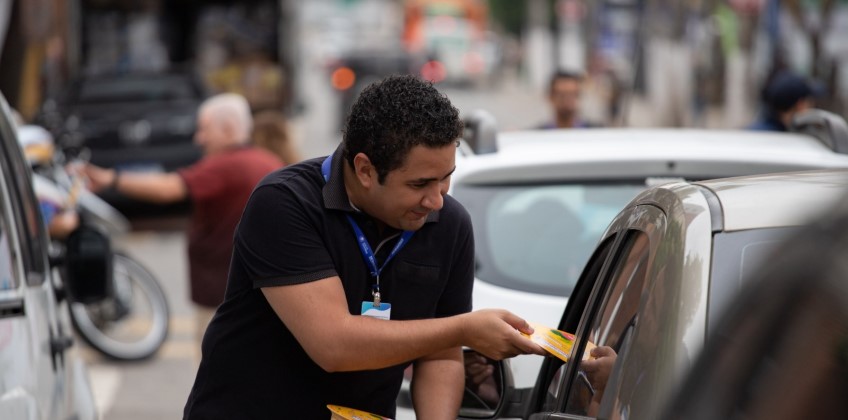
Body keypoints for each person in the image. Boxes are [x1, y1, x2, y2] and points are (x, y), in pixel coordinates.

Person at [182, 75, 545, 419]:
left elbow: (439, 356)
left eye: (445, 178)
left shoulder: (450, 224)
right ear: (365, 170)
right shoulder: (284, 203)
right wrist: (462, 329)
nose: (436, 200)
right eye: (419, 184)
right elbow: (333, 345)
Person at [83, 93, 283, 360]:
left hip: (224, 297)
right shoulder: (267, 161)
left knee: (218, 372)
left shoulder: (225, 166)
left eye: (204, 129)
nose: (199, 139)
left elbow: (169, 188)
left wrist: (111, 179)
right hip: (252, 293)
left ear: (227, 129)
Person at [748, 71, 817, 132]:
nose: (811, 107)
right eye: (809, 102)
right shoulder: (790, 139)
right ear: (800, 104)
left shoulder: (754, 132)